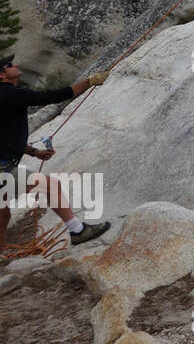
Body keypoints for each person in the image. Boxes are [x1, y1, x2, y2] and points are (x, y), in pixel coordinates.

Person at [0, 55, 112, 249]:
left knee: (3, 214)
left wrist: (34, 152)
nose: (15, 65)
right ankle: (77, 230)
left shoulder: (6, 96)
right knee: (49, 186)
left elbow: (4, 137)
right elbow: (51, 97)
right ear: (2, 75)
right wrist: (89, 81)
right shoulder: (10, 94)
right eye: (9, 65)